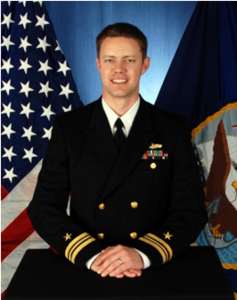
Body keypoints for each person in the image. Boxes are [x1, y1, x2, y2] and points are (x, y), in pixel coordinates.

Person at [27, 22, 207, 279]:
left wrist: (143, 254)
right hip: (90, 267)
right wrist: (92, 255)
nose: (119, 69)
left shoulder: (172, 128)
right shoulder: (70, 128)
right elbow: (43, 207)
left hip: (150, 269)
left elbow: (190, 208)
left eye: (129, 60)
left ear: (145, 64)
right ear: (98, 64)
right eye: (110, 59)